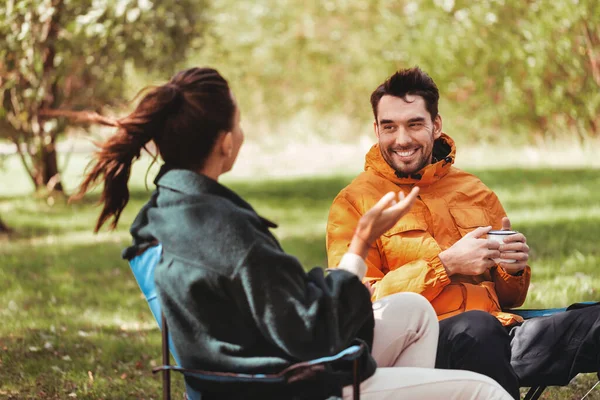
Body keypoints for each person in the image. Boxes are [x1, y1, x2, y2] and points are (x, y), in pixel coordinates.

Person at [74, 67, 513, 399]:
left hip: (259, 360)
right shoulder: (223, 230)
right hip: (284, 382)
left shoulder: (169, 208)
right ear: (225, 142)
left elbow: (275, 304)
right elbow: (312, 333)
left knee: (413, 311)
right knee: (483, 391)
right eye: (240, 123)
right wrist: (361, 242)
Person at [326, 66, 600, 399]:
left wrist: (512, 270)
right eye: (389, 127)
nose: (402, 139)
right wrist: (445, 265)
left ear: (436, 125)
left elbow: (511, 298)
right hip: (425, 350)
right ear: (376, 129)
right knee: (477, 329)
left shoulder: (473, 189)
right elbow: (360, 306)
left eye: (414, 124)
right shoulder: (355, 203)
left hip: (502, 335)